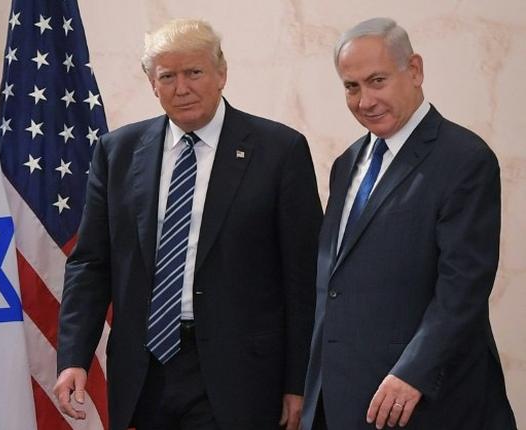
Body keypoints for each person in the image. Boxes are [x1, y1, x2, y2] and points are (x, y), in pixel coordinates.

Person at [54, 18, 323, 430]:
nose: (182, 88)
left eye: (194, 72)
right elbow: (90, 264)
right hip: (146, 372)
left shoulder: (279, 151)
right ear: (152, 84)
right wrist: (74, 356)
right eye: (168, 76)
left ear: (221, 74)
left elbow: (303, 278)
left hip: (242, 376)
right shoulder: (118, 153)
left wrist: (298, 381)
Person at [301, 17, 517, 430]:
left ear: (414, 70)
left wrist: (413, 372)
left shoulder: (464, 159)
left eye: (377, 80)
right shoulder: (347, 163)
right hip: (342, 400)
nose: (365, 100)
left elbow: (463, 288)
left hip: (423, 402)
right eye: (352, 86)